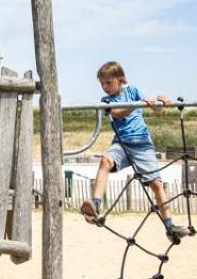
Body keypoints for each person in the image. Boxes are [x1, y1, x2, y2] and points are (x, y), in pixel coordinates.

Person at [79, 61, 188, 242]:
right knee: (105, 161)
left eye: (109, 82)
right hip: (122, 143)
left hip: (142, 144)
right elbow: (119, 113)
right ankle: (95, 204)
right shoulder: (107, 101)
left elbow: (156, 109)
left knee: (156, 185)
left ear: (120, 80)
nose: (105, 87)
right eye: (102, 84)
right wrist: (138, 104)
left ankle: (170, 226)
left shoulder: (133, 90)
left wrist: (160, 101)